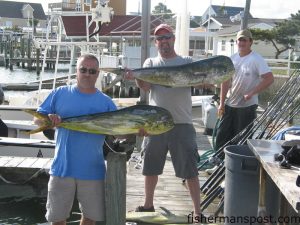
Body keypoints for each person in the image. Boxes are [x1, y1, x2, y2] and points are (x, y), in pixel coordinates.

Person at [126, 24, 202, 217]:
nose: (163, 41)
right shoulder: (150, 63)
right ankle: (148, 204)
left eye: (167, 37)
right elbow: (146, 87)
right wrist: (134, 76)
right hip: (155, 125)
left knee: (190, 170)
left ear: (173, 38)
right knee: (150, 166)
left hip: (182, 123)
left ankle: (197, 211)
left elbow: (199, 80)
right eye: (159, 38)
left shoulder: (186, 61)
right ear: (155, 42)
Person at [34, 54, 118, 225]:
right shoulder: (59, 93)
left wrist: (138, 131)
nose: (87, 74)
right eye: (83, 70)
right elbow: (37, 119)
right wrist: (48, 119)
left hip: (93, 171)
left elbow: (119, 132)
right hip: (61, 169)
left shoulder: (107, 103)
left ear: (98, 73)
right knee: (57, 219)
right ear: (76, 71)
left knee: (89, 219)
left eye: (92, 71)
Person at [215, 29, 274, 151]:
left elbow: (269, 79)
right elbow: (225, 81)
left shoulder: (256, 59)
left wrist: (252, 93)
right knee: (222, 135)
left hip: (247, 107)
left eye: (244, 40)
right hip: (230, 104)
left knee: (241, 139)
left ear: (250, 42)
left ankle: (236, 165)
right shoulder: (231, 59)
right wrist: (221, 103)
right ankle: (219, 163)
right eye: (239, 40)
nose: (241, 43)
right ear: (236, 42)